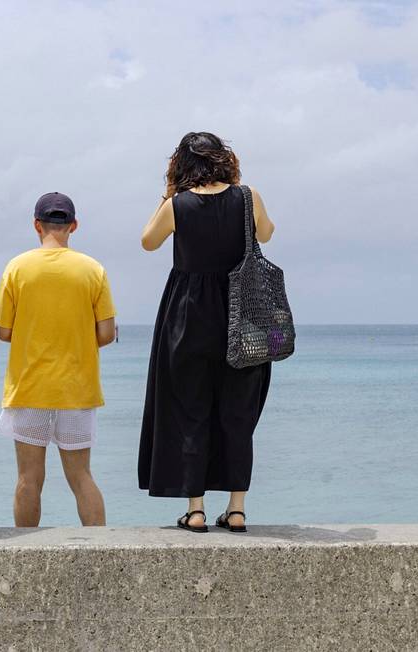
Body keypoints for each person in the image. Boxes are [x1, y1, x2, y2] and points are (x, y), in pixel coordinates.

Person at [138, 132, 275, 533]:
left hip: (189, 314)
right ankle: (236, 510)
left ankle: (195, 510)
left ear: (181, 164)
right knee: (238, 412)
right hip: (242, 315)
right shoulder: (248, 196)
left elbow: (148, 242)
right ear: (225, 159)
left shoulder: (178, 205)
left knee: (189, 409)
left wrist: (167, 194)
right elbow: (265, 234)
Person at [0, 192, 116, 527]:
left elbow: (4, 332)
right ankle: (100, 552)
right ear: (73, 225)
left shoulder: (17, 268)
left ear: (37, 225)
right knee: (81, 477)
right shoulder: (93, 270)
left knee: (28, 479)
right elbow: (106, 334)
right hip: (77, 388)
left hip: (30, 387)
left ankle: (25, 553)